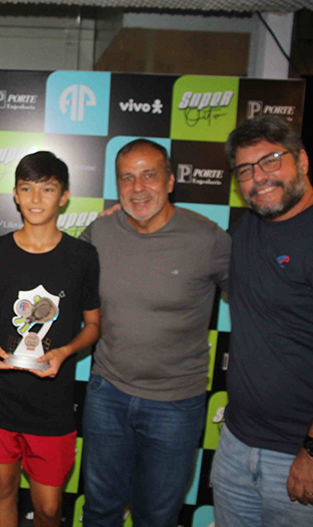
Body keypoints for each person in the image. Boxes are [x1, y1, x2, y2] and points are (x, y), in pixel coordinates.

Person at [79, 139, 230, 527]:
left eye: (149, 175)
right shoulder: (99, 232)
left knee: (157, 517)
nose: (138, 188)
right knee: (99, 511)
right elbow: (60, 278)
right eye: (127, 178)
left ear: (171, 181)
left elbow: (257, 304)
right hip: (107, 394)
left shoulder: (208, 238)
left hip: (175, 404)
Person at [0, 151, 101, 527]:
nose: (36, 199)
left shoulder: (82, 256)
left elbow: (93, 325)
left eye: (47, 189)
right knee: (2, 490)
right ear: (15, 194)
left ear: (64, 196)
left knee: (50, 509)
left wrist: (65, 351)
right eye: (27, 188)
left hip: (51, 403)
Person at [212, 115, 313, 525]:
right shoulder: (243, 231)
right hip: (236, 445)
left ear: (302, 160)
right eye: (245, 169)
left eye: (270, 161)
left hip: (306, 455)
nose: (258, 178)